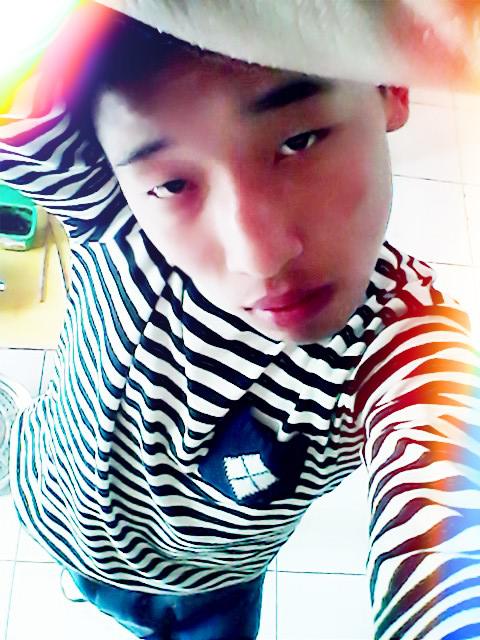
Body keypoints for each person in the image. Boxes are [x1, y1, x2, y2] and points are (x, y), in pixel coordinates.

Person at [0, 5, 479, 640]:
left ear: (391, 86)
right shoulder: (107, 211)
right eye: (172, 185)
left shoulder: (400, 342)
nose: (258, 256)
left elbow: (450, 516)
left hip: (203, 593)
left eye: (298, 141)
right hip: (46, 499)